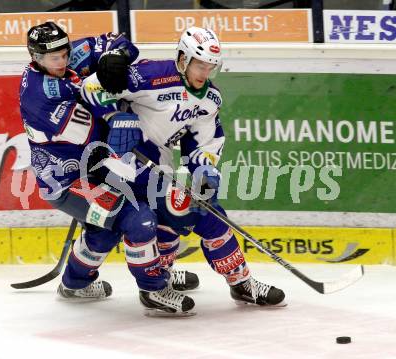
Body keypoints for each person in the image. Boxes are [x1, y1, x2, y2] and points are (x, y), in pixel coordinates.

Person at [81, 26, 286, 315]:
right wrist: (116, 117)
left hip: (159, 163)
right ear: (182, 59)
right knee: (197, 214)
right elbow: (89, 88)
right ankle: (223, 284)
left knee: (186, 212)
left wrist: (205, 170)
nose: (204, 73)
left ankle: (172, 279)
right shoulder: (150, 76)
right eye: (199, 65)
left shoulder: (210, 98)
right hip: (124, 163)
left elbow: (205, 140)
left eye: (210, 67)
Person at [19, 22, 199, 306]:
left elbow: (120, 43)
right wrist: (114, 110)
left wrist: (112, 60)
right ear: (36, 58)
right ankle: (153, 290)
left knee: (144, 208)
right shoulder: (40, 98)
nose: (63, 61)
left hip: (98, 168)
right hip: (68, 182)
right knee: (137, 219)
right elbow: (101, 131)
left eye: (65, 53)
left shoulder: (69, 55)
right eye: (54, 58)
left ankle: (76, 284)